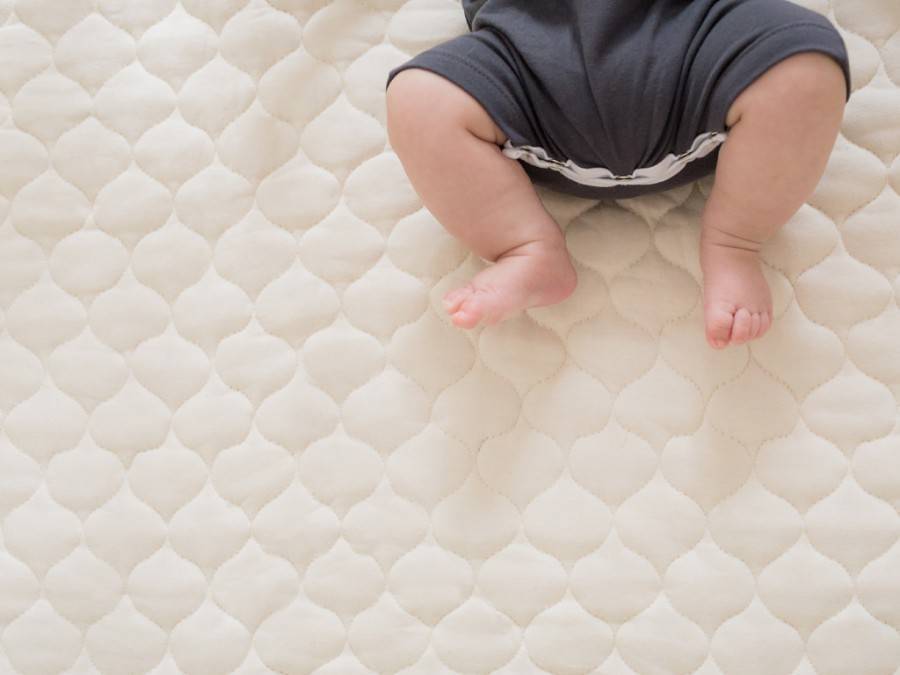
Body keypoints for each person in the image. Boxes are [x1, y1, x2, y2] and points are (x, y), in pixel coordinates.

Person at [384, 0, 851, 349]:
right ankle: (525, 247)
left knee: (804, 62)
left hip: (693, 38)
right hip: (529, 59)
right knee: (418, 96)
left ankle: (735, 241)